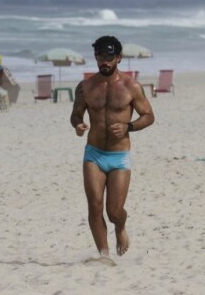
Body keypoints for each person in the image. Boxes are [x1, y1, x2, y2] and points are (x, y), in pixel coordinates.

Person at [70, 35, 155, 258]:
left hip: (119, 157)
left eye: (108, 57)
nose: (103, 61)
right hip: (94, 155)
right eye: (99, 56)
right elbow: (75, 115)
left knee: (114, 211)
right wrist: (78, 125)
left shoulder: (131, 86)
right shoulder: (85, 86)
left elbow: (148, 116)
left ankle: (120, 227)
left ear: (118, 58)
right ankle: (104, 256)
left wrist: (129, 127)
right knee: (95, 207)